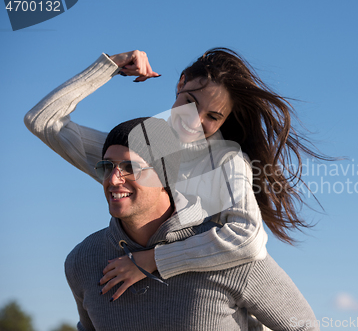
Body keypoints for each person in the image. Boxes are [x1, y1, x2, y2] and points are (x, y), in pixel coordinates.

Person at [25, 49, 332, 301]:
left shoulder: (225, 159)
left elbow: (247, 238)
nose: (194, 121)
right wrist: (110, 66)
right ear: (181, 83)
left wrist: (152, 261)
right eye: (190, 103)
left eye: (212, 117)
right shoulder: (134, 153)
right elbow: (42, 121)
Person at [65, 117, 318, 330]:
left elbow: (304, 327)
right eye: (107, 167)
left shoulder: (227, 251)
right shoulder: (83, 260)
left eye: (130, 167)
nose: (114, 179)